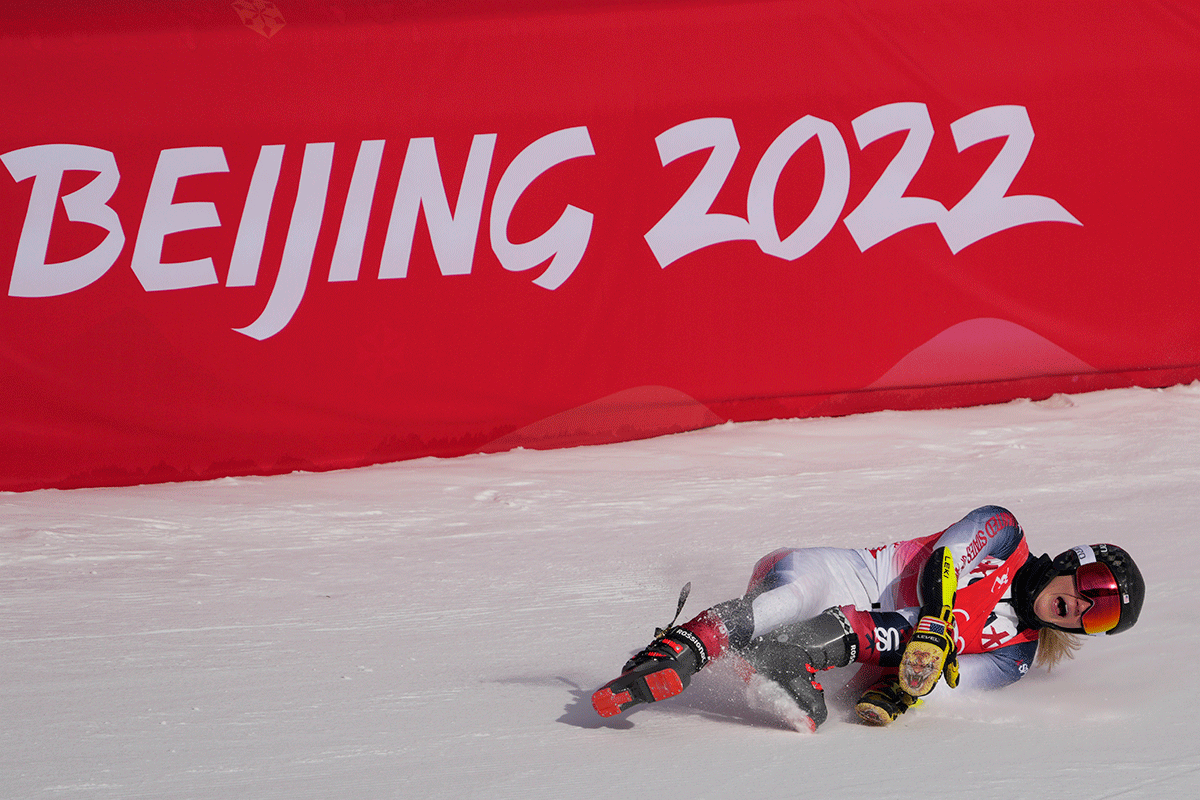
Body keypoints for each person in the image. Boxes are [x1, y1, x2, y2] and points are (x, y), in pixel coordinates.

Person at [591, 505, 1144, 730]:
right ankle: (678, 651)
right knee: (800, 601)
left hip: (849, 653)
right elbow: (943, 562)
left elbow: (948, 682)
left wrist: (903, 689)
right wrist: (936, 627)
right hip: (842, 579)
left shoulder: (1017, 654)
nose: (1082, 611)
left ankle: (780, 662)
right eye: (1092, 591)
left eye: (1100, 620)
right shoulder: (1004, 531)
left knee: (912, 654)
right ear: (1074, 563)